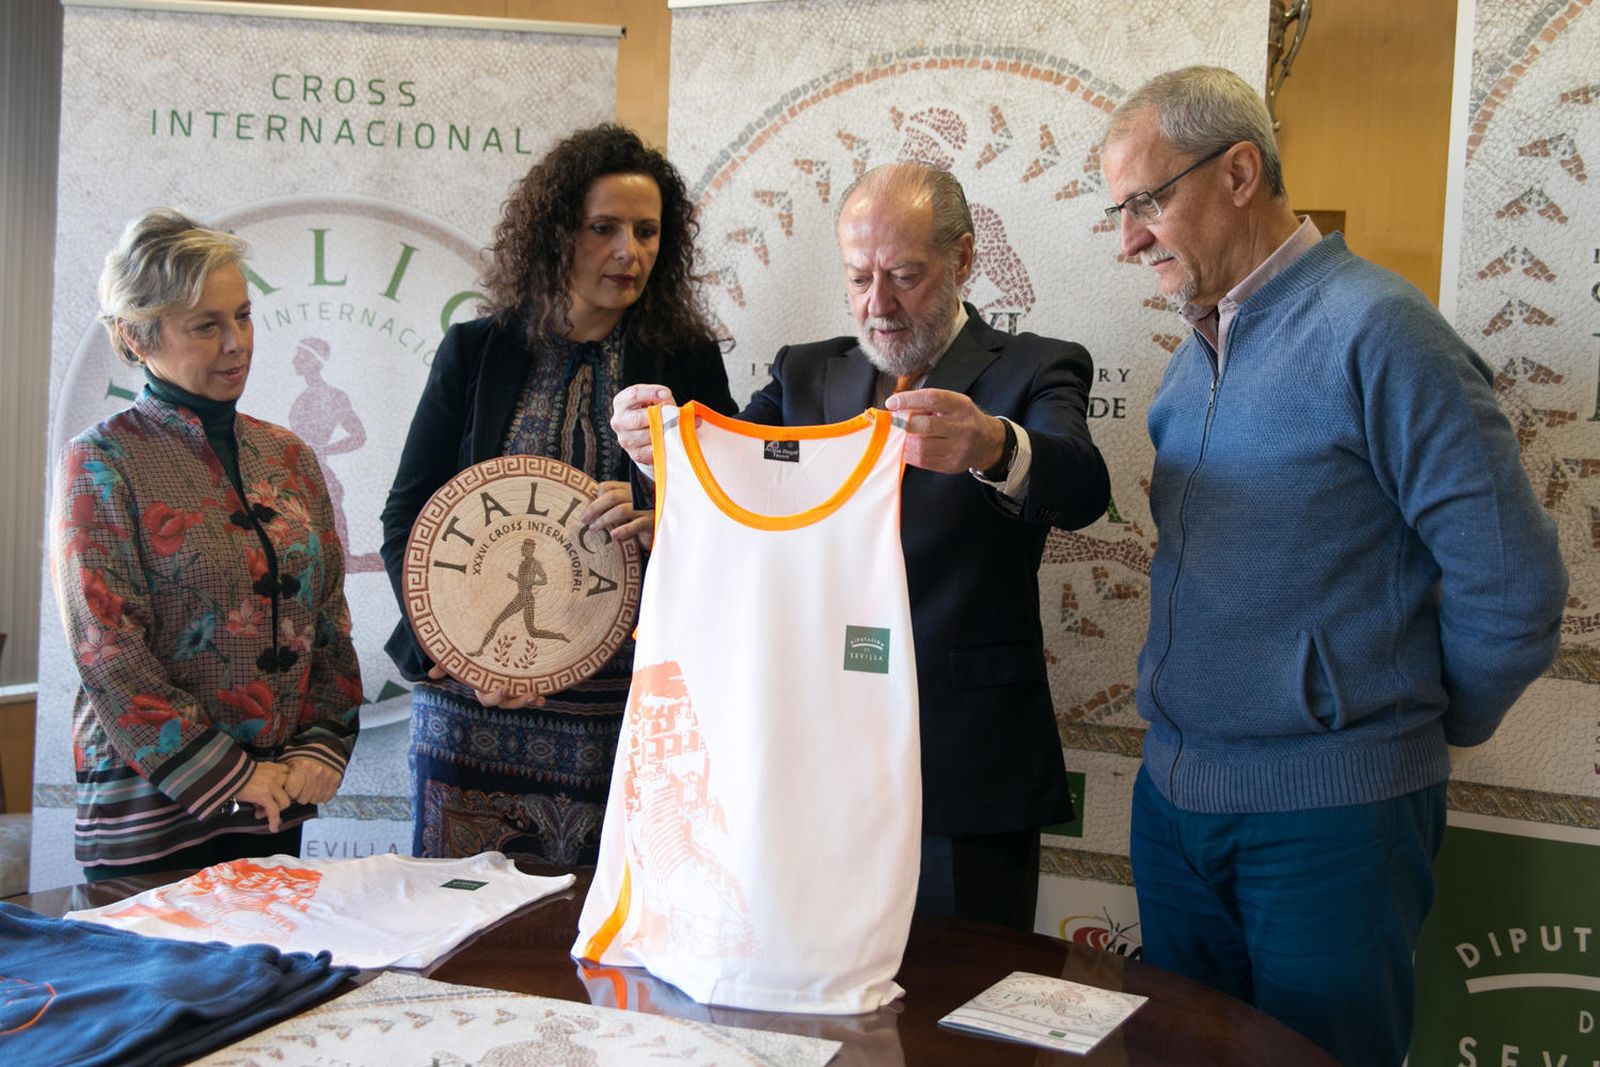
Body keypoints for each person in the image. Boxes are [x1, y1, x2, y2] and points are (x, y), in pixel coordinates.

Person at [1099, 66, 1568, 1064]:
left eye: (1147, 201)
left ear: (1237, 172)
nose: (1128, 237)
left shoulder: (1382, 331)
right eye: (1119, 210)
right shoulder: (1191, 358)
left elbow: (1514, 588)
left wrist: (1407, 722)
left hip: (1330, 820)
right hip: (1175, 810)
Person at [612, 161, 1111, 929]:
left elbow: (1081, 486)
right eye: (858, 278)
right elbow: (732, 475)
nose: (878, 304)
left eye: (905, 275)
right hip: (806, 760)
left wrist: (992, 444)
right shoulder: (805, 372)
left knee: (961, 1011)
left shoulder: (1035, 366)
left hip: (963, 766)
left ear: (965, 259)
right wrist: (661, 448)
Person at [381, 124, 736, 864]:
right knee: (460, 936)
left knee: (600, 949)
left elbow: (730, 523)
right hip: (471, 711)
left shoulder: (688, 363)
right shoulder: (475, 350)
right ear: (555, 235)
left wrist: (659, 521)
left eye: (647, 231)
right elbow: (407, 514)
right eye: (602, 229)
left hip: (624, 714)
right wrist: (451, 655)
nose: (628, 252)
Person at [52, 209, 362, 881]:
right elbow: (106, 647)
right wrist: (231, 774)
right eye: (206, 324)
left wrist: (320, 745)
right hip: (151, 807)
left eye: (243, 316)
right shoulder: (102, 458)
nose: (237, 342)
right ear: (136, 336)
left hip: (277, 798)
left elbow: (330, 618)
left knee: (276, 983)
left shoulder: (289, 455)